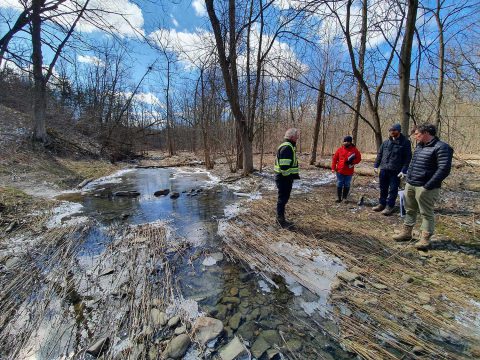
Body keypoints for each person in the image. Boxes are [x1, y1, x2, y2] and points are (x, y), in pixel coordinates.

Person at [393, 123, 453, 249]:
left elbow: (444, 169)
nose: (415, 136)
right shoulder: (420, 146)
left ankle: (425, 239)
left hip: (426, 187)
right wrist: (407, 179)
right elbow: (414, 164)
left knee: (426, 213)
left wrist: (428, 186)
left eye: (417, 134)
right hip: (411, 183)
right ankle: (406, 233)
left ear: (426, 133)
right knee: (409, 209)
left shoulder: (442, 147)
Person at [372, 123, 412, 215]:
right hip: (384, 169)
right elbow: (380, 154)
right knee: (383, 188)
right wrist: (376, 165)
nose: (392, 132)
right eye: (390, 130)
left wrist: (404, 170)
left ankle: (390, 206)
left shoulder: (405, 142)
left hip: (396, 171)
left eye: (394, 130)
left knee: (393, 189)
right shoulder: (386, 142)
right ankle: (382, 204)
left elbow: (408, 158)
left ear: (399, 131)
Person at [274, 128, 300, 228]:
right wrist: (289, 178)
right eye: (296, 136)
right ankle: (280, 221)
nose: (297, 138)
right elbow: (284, 167)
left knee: (283, 199)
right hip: (283, 178)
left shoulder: (288, 146)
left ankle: (280, 219)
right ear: (292, 137)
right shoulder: (287, 147)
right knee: (282, 199)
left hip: (284, 178)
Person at [331, 136, 362, 203]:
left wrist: (352, 162)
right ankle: (338, 198)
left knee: (347, 184)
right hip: (340, 170)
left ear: (350, 142)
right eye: (344, 141)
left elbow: (359, 159)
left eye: (347, 141)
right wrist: (333, 168)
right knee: (339, 183)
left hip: (349, 171)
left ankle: (344, 198)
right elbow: (334, 159)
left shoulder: (354, 150)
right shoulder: (339, 149)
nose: (345, 143)